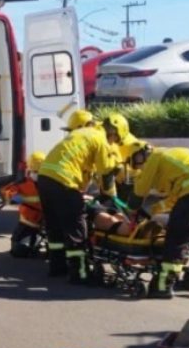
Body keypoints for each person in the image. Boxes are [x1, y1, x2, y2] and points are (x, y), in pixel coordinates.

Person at [125, 142, 189, 299]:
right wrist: (154, 210)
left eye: (137, 161)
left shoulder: (155, 157)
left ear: (144, 153)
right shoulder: (171, 159)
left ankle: (162, 286)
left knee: (177, 237)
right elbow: (175, 198)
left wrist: (132, 208)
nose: (139, 167)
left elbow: (141, 189)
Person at [37, 114, 129, 283]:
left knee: (55, 226)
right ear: (114, 131)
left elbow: (82, 166)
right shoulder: (100, 139)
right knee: (77, 228)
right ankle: (80, 273)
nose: (113, 143)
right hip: (64, 180)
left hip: (45, 178)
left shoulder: (84, 133)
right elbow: (106, 173)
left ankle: (57, 267)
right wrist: (112, 197)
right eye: (116, 139)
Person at [0, 151, 45, 257]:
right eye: (35, 171)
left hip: (45, 218)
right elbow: (6, 191)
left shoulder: (48, 182)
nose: (37, 174)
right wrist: (12, 197)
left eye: (39, 171)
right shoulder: (24, 183)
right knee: (19, 248)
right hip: (30, 220)